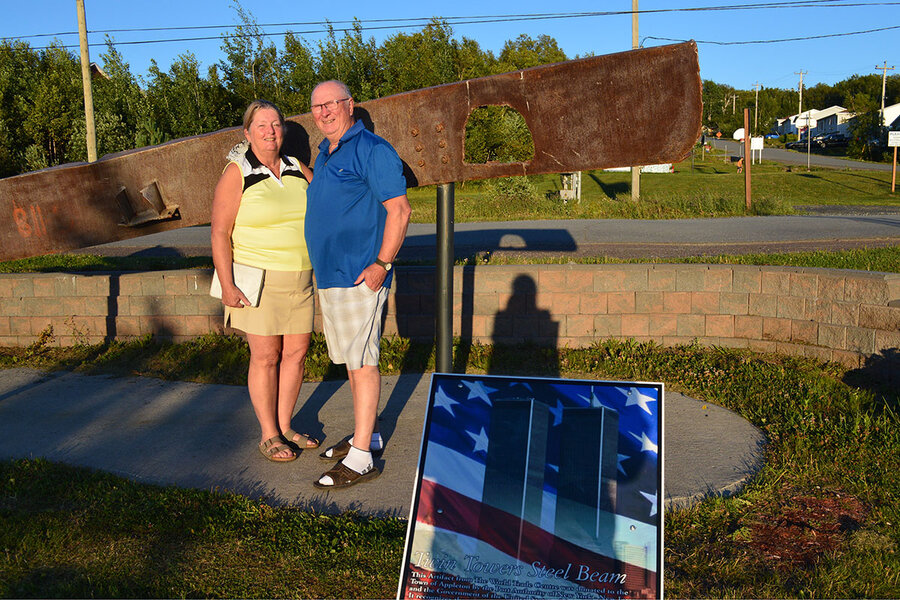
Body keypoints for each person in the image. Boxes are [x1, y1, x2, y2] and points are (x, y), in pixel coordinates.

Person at [305, 80, 411, 489]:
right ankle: (370, 433)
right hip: (332, 275)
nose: (325, 112)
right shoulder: (326, 151)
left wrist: (382, 264)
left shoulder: (373, 149)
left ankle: (362, 456)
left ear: (350, 105)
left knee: (363, 363)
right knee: (353, 359)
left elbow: (399, 211)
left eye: (332, 103)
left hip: (359, 274)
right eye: (317, 106)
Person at [211, 99, 319, 463]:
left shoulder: (296, 167)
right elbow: (219, 232)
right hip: (258, 279)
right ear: (247, 133)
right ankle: (268, 434)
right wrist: (227, 285)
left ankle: (286, 425)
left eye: (275, 124)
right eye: (261, 125)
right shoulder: (236, 172)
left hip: (301, 277)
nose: (270, 131)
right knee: (266, 356)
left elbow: (325, 205)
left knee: (296, 353)